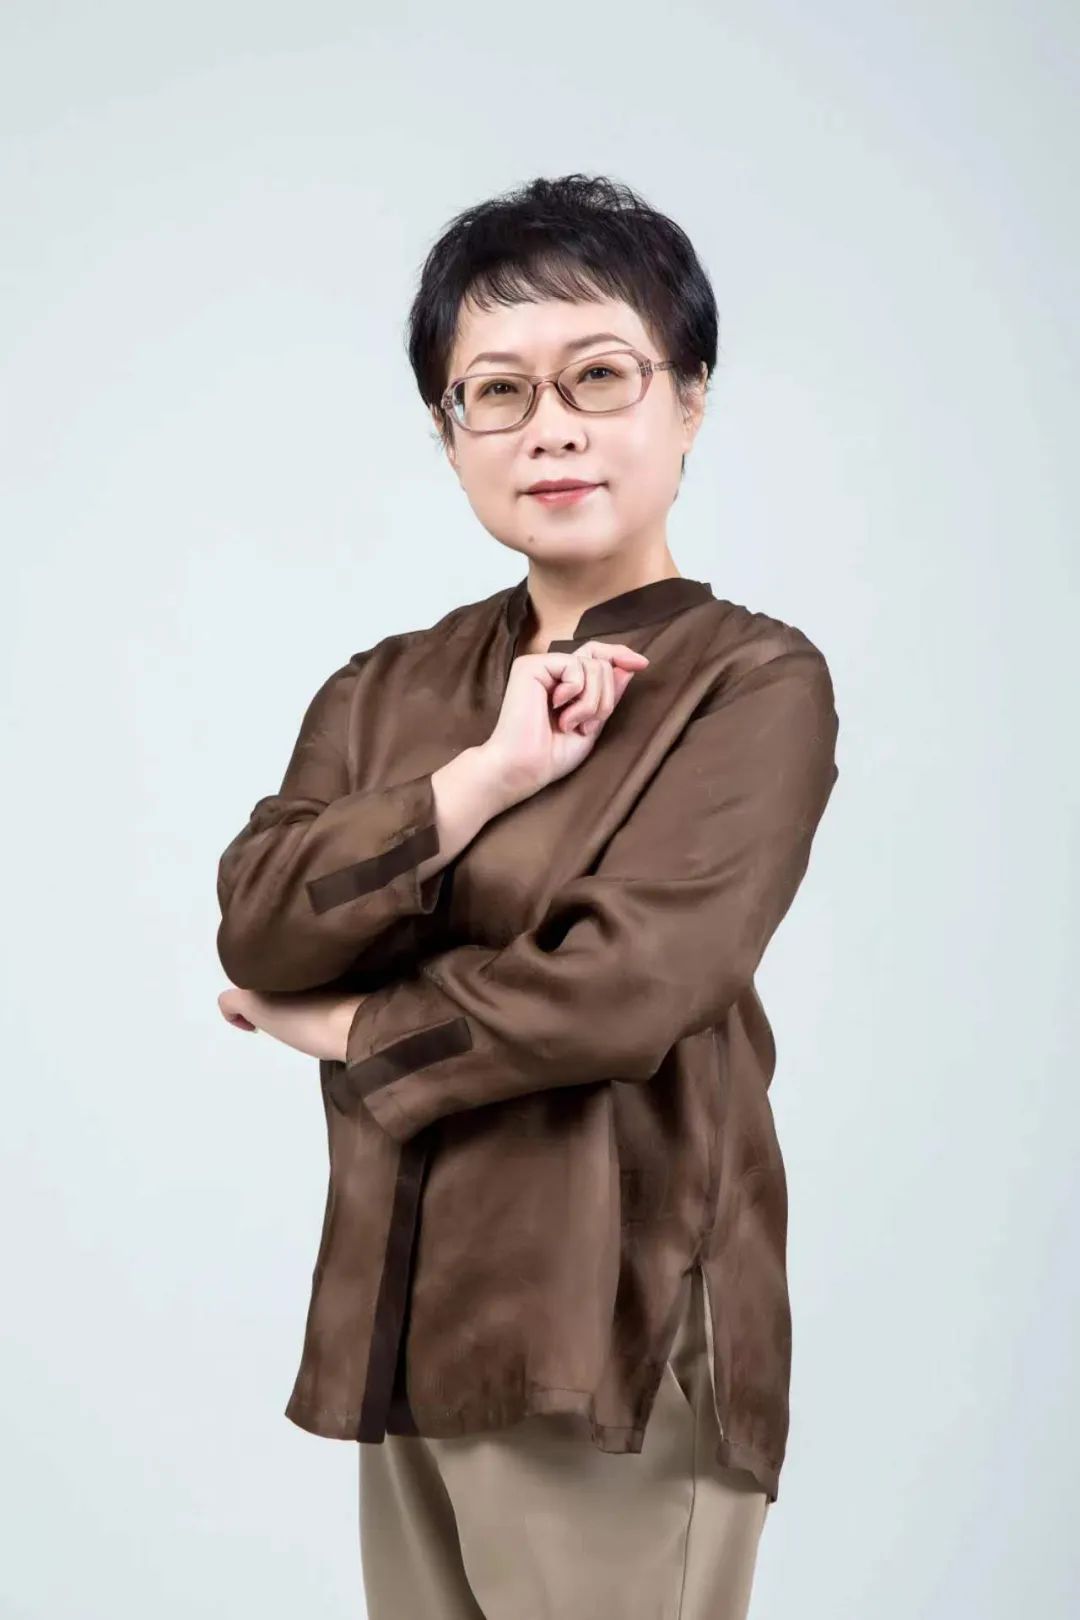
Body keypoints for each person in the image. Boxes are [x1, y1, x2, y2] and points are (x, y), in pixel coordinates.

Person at [216, 172, 839, 1619]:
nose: (549, 426)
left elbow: (620, 990)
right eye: (495, 391)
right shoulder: (386, 690)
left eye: (599, 375)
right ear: (448, 434)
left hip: (618, 1330)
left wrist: (350, 1028)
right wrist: (477, 783)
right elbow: (258, 920)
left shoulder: (751, 682)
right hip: (402, 1321)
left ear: (689, 400)